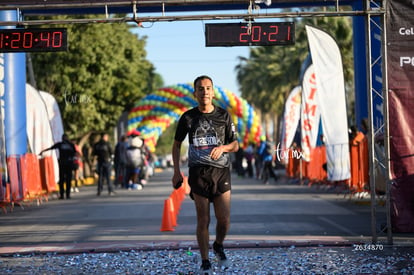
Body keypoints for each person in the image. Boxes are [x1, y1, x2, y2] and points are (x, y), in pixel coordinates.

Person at [171, 75, 239, 274]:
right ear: (195, 93)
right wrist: (176, 172)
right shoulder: (188, 117)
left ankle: (218, 244)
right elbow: (176, 146)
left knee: (224, 219)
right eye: (200, 89)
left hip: (221, 172)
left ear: (213, 91)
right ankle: (205, 259)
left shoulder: (223, 116)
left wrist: (224, 148)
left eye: (208, 88)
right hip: (198, 173)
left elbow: (235, 144)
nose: (205, 92)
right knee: (203, 219)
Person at [40, 134, 76, 200]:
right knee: (65, 180)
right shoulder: (69, 145)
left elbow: (51, 148)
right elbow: (74, 154)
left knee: (64, 180)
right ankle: (65, 195)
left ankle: (65, 195)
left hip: (65, 164)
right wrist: (43, 151)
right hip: (66, 164)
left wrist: (43, 151)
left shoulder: (64, 144)